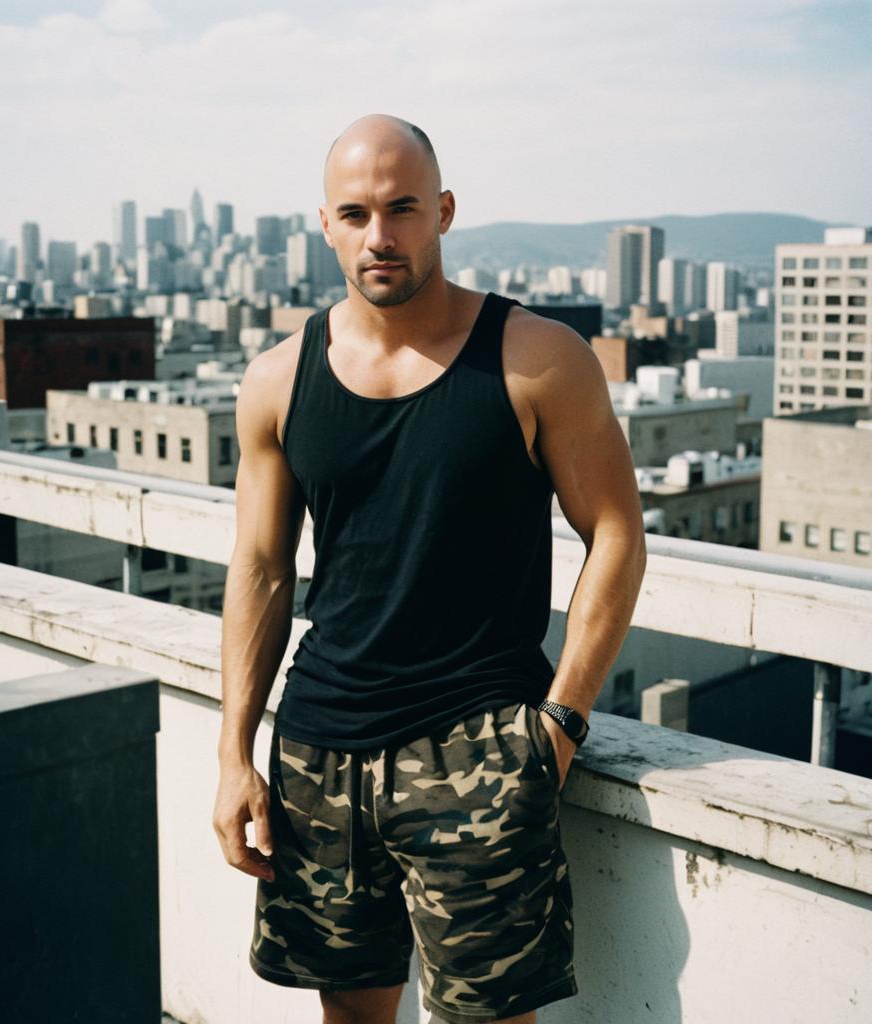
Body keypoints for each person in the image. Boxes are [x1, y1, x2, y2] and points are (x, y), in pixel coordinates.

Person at [213, 113, 647, 1024]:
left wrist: (560, 721)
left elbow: (615, 532)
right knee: (350, 1018)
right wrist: (234, 753)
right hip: (319, 751)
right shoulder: (279, 380)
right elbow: (259, 569)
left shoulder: (537, 360)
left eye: (403, 208)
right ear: (325, 225)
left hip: (478, 749)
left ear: (444, 211)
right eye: (357, 213)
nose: (382, 236)